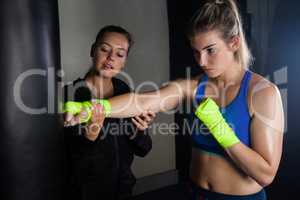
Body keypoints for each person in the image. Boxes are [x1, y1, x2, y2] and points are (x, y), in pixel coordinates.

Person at [64, 0, 284, 199]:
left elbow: (265, 175)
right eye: (197, 52)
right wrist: (91, 108)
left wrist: (221, 130)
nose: (202, 61)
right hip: (194, 193)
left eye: (210, 50)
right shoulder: (193, 86)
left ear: (234, 43)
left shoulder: (262, 93)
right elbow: (143, 101)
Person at [63, 25, 155, 200]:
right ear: (92, 50)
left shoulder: (125, 92)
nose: (111, 57)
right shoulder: (70, 95)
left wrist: (139, 132)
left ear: (124, 61)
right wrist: (90, 135)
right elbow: (69, 162)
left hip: (123, 189)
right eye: (105, 49)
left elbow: (144, 149)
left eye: (120, 54)